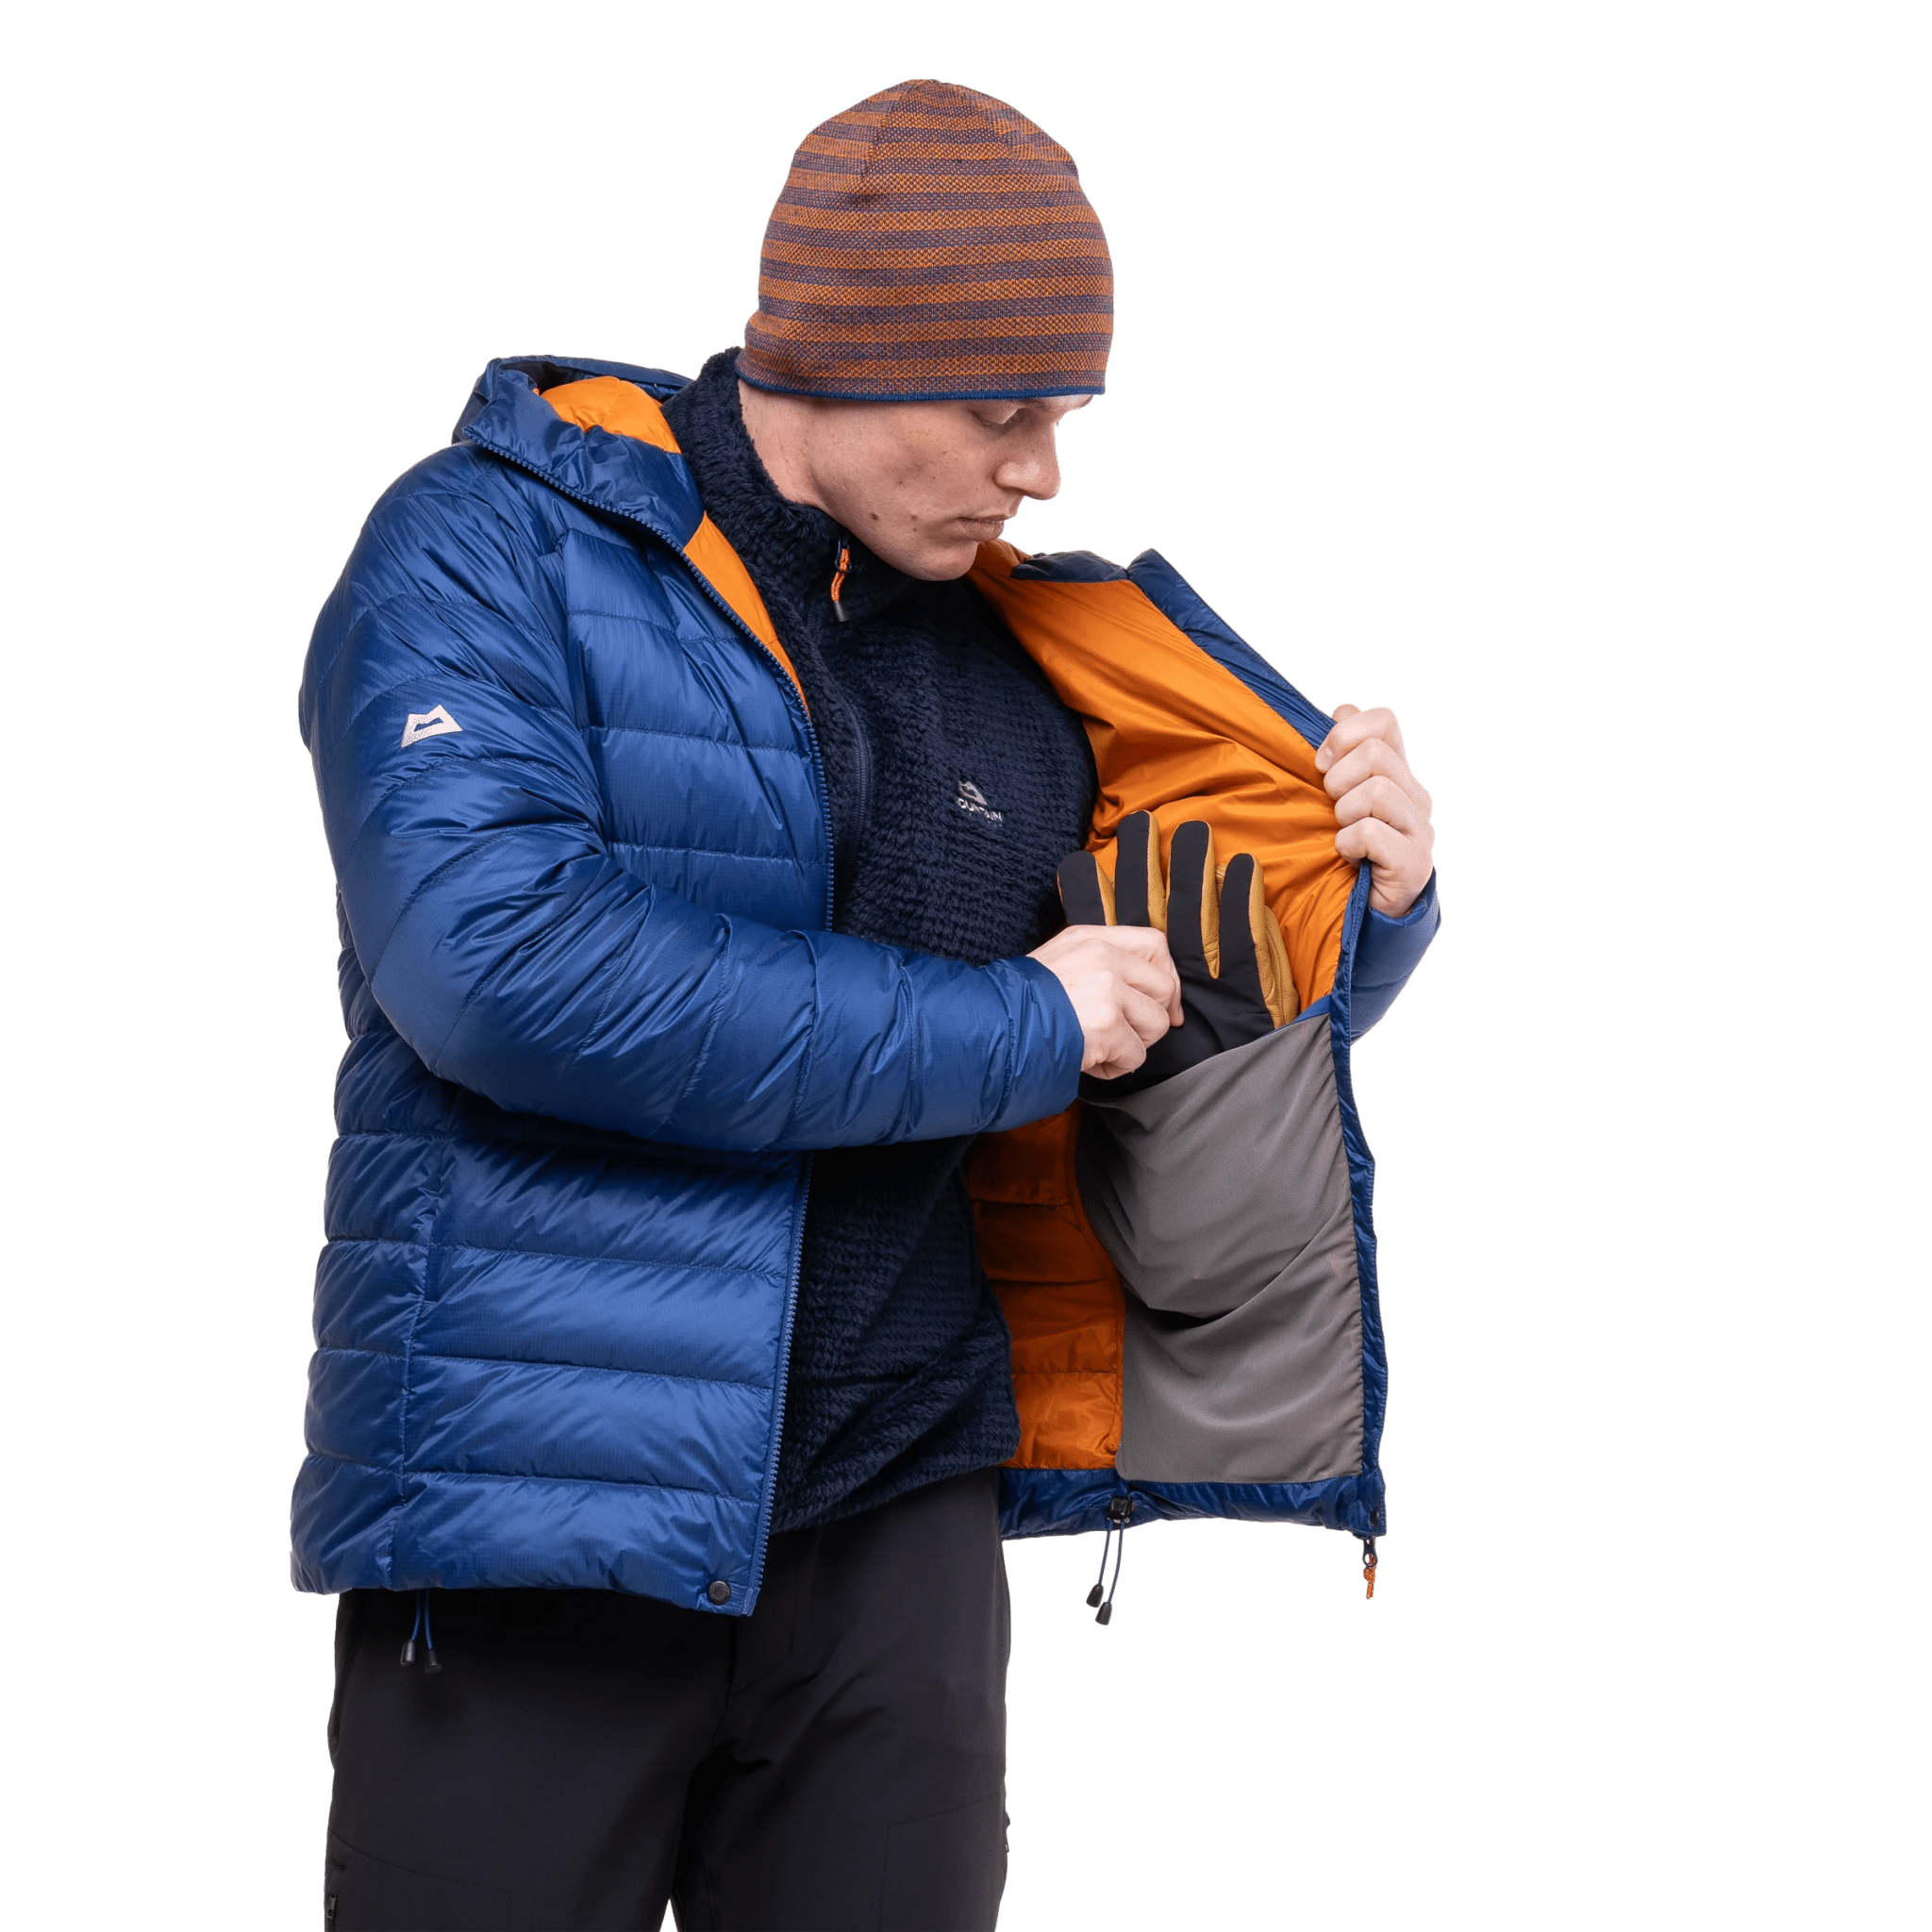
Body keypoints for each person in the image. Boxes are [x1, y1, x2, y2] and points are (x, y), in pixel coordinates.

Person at [295, 77, 1441, 1932]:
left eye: (1064, 420)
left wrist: (1367, 909)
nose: (1039, 473)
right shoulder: (486, 552)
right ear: (845, 355)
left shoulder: (1024, 660)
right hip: (541, 1516)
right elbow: (498, 968)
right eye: (1004, 413)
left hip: (902, 1534)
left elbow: (1153, 1039)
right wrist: (1017, 1024)